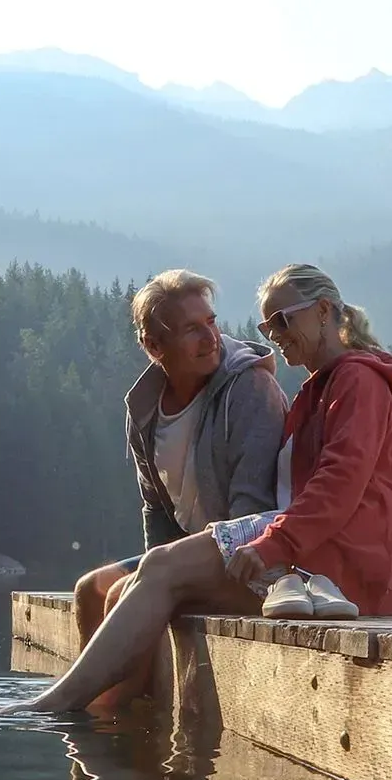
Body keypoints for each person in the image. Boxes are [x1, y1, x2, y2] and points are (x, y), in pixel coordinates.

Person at [0, 264, 392, 714]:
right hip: (316, 556)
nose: (273, 334)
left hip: (350, 572)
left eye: (282, 320)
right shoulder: (321, 389)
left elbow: (339, 486)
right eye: (264, 324)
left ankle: (59, 706)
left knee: (159, 570)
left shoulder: (358, 382)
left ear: (322, 311)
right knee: (132, 581)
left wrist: (274, 545)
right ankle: (105, 724)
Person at [71, 269, 288, 707]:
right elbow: (155, 506)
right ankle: (110, 727)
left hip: (252, 559)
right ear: (154, 347)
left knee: (122, 592)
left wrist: (172, 578)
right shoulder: (145, 407)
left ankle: (108, 722)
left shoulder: (249, 389)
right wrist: (161, 567)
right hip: (190, 552)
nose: (210, 337)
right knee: (90, 590)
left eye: (210, 322)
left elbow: (253, 511)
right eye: (192, 329)